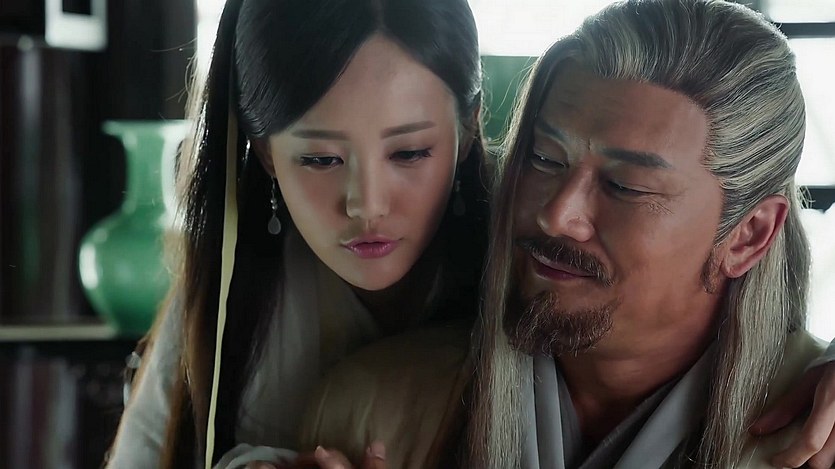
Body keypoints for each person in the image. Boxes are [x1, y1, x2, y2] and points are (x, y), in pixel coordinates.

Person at [104, 0, 488, 467]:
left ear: (469, 127)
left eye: (409, 152)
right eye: (321, 159)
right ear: (266, 152)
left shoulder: (523, 273)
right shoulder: (227, 291)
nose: (367, 204)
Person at [463, 0, 835, 467]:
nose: (556, 216)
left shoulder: (815, 438)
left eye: (625, 186)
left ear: (748, 235)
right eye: (544, 158)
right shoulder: (391, 403)